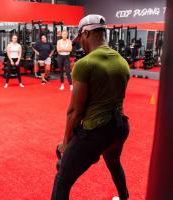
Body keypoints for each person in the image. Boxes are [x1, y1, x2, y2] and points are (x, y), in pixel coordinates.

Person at [51, 15, 130, 200]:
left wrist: (66, 142)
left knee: (62, 178)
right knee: (114, 162)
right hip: (120, 127)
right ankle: (124, 197)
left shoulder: (84, 64)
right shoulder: (122, 62)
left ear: (86, 33)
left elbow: (74, 111)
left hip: (96, 132)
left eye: (80, 39)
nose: (80, 44)